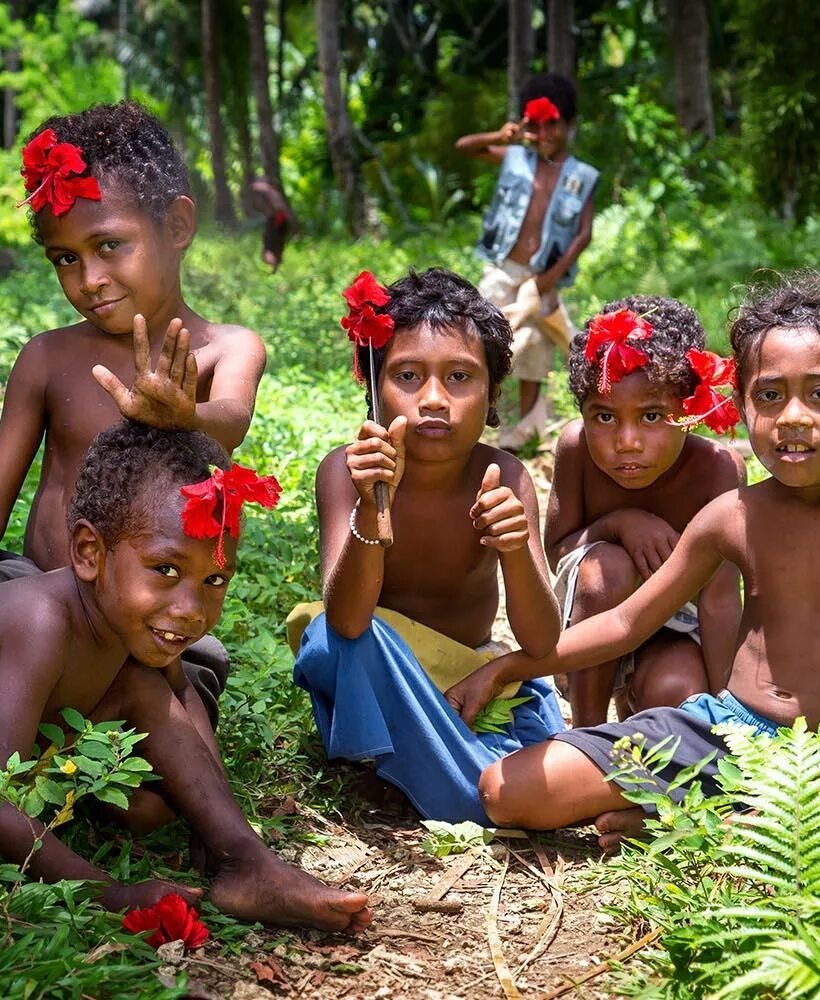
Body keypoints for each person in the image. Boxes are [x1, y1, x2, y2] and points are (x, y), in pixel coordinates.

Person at [448, 272, 820, 848]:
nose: (793, 416)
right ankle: (720, 815)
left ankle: (708, 820)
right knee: (506, 791)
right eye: (769, 395)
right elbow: (625, 622)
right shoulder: (732, 515)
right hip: (728, 731)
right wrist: (509, 667)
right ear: (741, 404)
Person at [0, 422, 372, 932]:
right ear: (88, 552)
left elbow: (178, 701)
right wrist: (115, 893)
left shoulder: (129, 629)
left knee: (148, 751)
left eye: (214, 579)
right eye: (167, 569)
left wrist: (221, 831)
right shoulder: (43, 621)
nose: (191, 609)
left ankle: (249, 867)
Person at [0, 100, 266, 701]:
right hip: (34, 587)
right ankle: (38, 710)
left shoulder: (224, 348)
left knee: (171, 683)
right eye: (66, 258)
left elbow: (231, 421)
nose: (88, 280)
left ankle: (61, 719)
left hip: (140, 613)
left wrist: (183, 414)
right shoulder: (48, 358)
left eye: (109, 246)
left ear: (177, 227)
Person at [286, 267, 563, 825]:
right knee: (326, 636)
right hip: (372, 676)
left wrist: (513, 545)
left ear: (492, 395)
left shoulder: (505, 476)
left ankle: (433, 769)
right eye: (408, 375)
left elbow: (539, 642)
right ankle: (472, 787)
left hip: (463, 686)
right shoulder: (344, 473)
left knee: (526, 712)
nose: (434, 399)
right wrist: (372, 505)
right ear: (372, 386)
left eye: (460, 377)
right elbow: (346, 620)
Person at [546, 296, 745, 727]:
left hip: (675, 629)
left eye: (652, 415)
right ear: (582, 412)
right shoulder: (575, 449)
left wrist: (730, 713)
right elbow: (558, 553)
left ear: (687, 410)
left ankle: (645, 722)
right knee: (606, 570)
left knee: (678, 690)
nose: (627, 441)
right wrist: (616, 524)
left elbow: (719, 599)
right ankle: (586, 732)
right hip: (590, 619)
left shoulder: (717, 471)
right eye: (604, 417)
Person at [455, 72, 599, 450]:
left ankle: (522, 437)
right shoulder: (515, 157)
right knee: (484, 342)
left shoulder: (581, 177)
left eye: (554, 123)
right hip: (504, 270)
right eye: (538, 124)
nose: (546, 132)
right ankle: (477, 422)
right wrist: (499, 137)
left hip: (544, 277)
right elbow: (464, 146)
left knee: (537, 351)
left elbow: (583, 235)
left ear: (569, 124)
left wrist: (544, 282)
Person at [244, 175, 293, 271]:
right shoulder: (274, 194)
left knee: (269, 250)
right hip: (280, 221)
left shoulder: (271, 192)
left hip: (277, 220)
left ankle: (274, 269)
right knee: (274, 249)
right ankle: (275, 270)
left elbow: (278, 207)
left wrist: (259, 186)